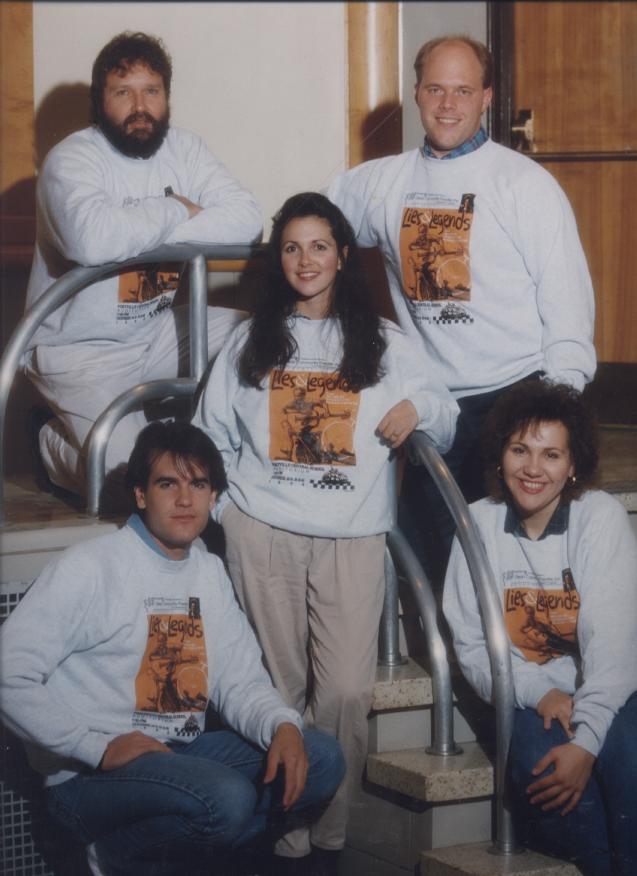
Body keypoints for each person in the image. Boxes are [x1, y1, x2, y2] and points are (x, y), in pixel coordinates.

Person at [193, 192, 459, 872]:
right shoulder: (248, 341)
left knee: (343, 691)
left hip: (352, 538)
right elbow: (208, 436)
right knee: (277, 689)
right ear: (277, 259)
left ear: (342, 255)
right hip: (263, 533)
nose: (304, 260)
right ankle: (288, 844)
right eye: (291, 247)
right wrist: (228, 515)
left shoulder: (384, 341)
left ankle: (329, 838)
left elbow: (445, 411)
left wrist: (416, 407)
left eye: (318, 246)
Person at [0, 421, 345, 876]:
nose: (185, 500)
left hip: (177, 757)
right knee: (226, 799)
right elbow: (8, 671)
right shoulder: (90, 567)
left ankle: (146, 855)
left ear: (213, 496)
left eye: (198, 484)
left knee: (321, 758)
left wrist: (281, 725)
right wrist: (96, 747)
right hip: (88, 778)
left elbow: (239, 680)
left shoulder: (208, 571)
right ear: (141, 495)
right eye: (168, 484)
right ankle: (109, 859)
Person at [327, 35, 596, 577]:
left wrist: (551, 413)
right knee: (429, 565)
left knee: (515, 567)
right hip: (432, 403)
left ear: (487, 97)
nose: (447, 104)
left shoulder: (524, 184)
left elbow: (568, 305)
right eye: (435, 89)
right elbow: (307, 228)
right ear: (416, 93)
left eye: (463, 91)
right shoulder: (382, 182)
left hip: (515, 394)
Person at [24, 31, 262, 495]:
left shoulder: (185, 150)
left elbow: (246, 220)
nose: (139, 106)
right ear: (99, 102)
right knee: (136, 484)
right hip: (78, 350)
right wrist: (176, 208)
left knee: (265, 335)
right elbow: (93, 240)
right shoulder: (71, 159)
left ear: (166, 97)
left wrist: (137, 228)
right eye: (123, 92)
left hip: (153, 333)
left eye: (151, 90)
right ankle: (47, 442)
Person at [443, 381, 637, 875]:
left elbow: (614, 646)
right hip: (532, 696)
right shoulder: (476, 523)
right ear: (500, 455)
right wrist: (538, 692)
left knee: (625, 756)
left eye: (551, 455)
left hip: (610, 688)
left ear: (573, 465)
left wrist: (586, 743)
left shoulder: (600, 518)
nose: (533, 469)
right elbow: (473, 646)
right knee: (540, 771)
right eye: (519, 450)